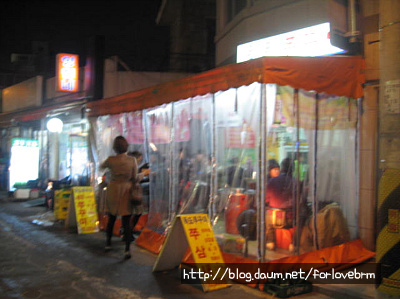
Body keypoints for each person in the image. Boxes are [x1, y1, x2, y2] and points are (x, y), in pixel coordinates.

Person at [100, 136, 138, 259]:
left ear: (114, 148)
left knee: (111, 218)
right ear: (126, 147)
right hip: (126, 190)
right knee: (126, 221)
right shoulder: (132, 160)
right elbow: (135, 177)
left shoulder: (110, 160)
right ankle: (127, 250)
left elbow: (101, 167)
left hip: (113, 190)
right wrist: (144, 174)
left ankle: (107, 244)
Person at [128, 151, 150, 234]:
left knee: (134, 212)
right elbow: (134, 178)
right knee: (135, 212)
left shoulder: (133, 165)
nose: (140, 161)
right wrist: (143, 174)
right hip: (132, 192)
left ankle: (128, 231)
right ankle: (128, 231)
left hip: (132, 191)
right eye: (139, 159)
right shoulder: (131, 166)